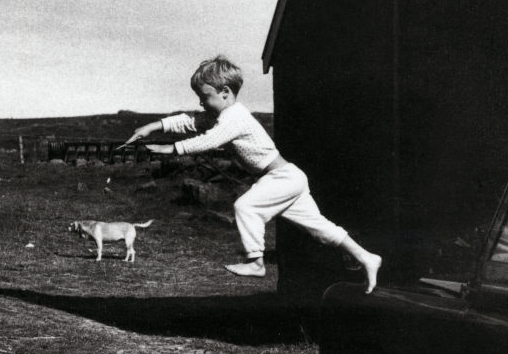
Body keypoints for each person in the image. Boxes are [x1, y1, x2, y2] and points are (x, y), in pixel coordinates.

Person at [125, 56, 382, 292]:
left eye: (204, 97)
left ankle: (256, 262)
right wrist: (152, 126)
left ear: (225, 92)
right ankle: (367, 257)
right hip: (287, 178)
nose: (201, 103)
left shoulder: (234, 118)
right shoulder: (219, 115)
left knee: (245, 206)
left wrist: (171, 148)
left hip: (282, 178)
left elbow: (209, 140)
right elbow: (189, 121)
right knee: (320, 230)